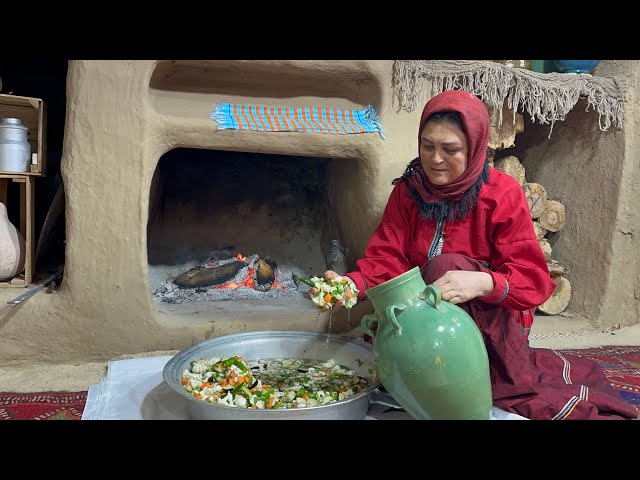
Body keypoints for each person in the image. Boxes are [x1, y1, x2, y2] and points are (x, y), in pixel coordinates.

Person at [310, 89, 638, 420]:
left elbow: (534, 283)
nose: (435, 159)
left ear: (475, 146)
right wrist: (351, 284)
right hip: (423, 317)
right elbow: (387, 258)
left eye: (450, 149)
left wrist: (484, 282)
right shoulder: (409, 191)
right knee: (383, 361)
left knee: (446, 265)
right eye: (427, 146)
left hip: (491, 320)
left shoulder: (501, 195)